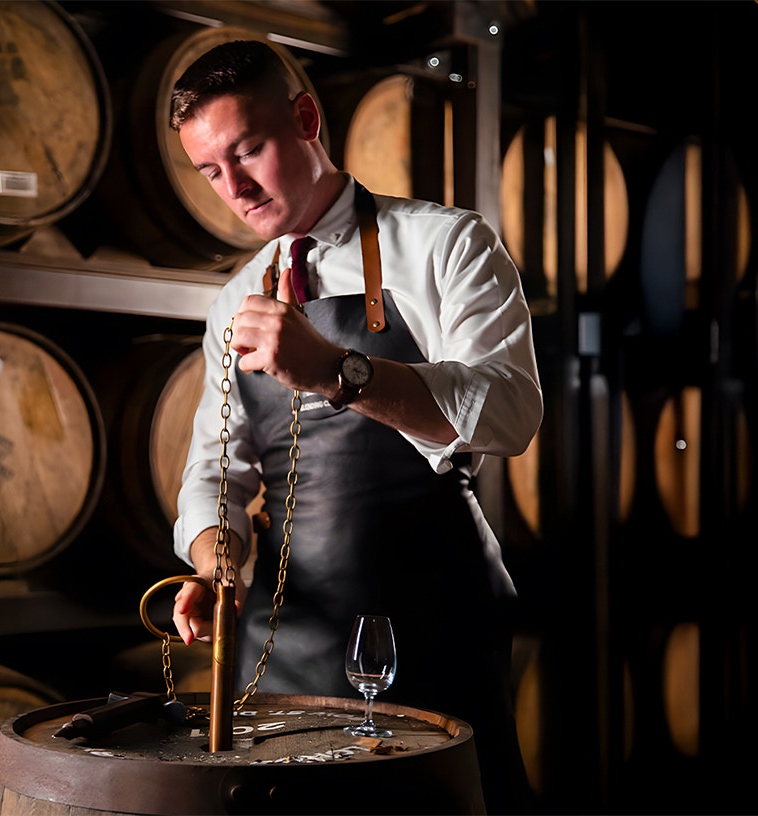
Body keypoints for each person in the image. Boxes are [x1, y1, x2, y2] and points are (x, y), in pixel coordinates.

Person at [165, 39, 543, 814]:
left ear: (305, 119)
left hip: (433, 620)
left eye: (249, 151)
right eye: (210, 170)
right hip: (288, 638)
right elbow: (216, 473)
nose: (233, 188)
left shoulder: (447, 244)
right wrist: (215, 564)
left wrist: (340, 371)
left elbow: (509, 411)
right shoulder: (231, 300)